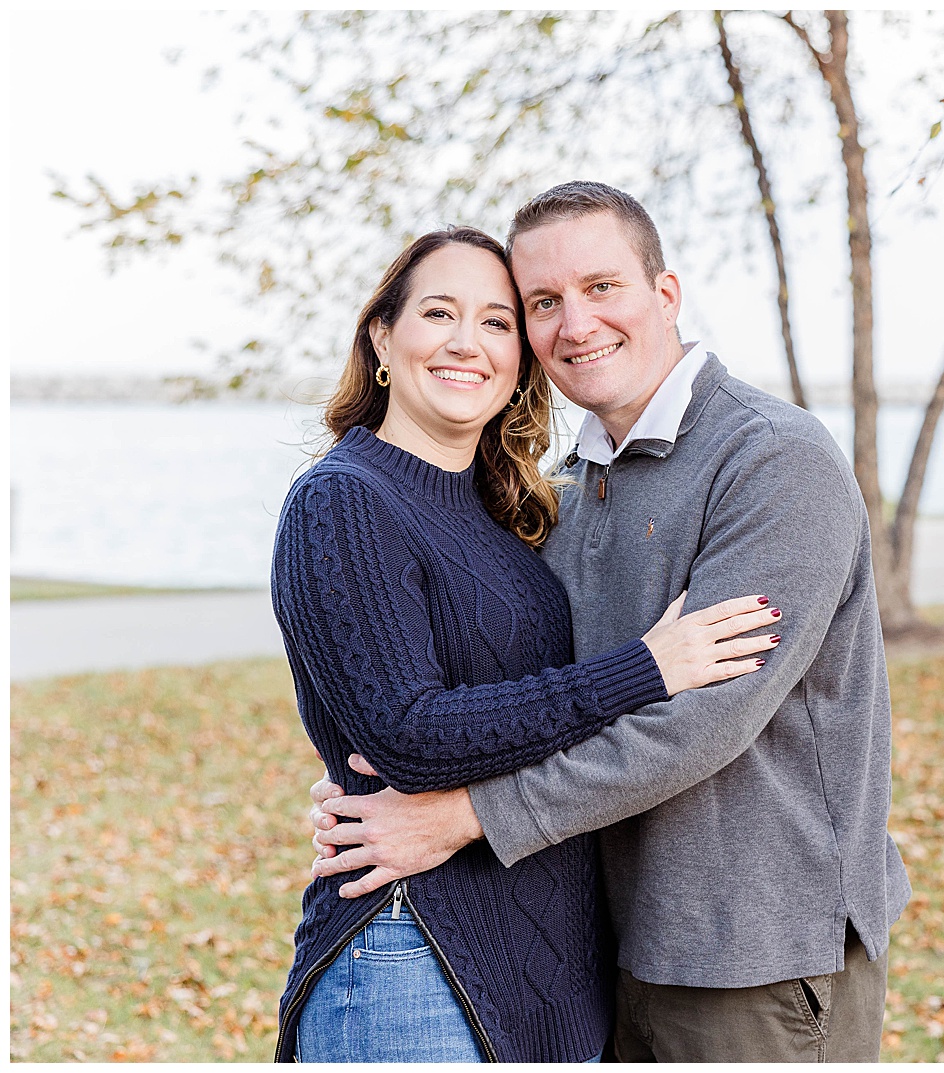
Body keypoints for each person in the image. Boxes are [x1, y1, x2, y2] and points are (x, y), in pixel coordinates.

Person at [309, 182, 913, 1061]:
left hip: (755, 953)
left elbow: (699, 723)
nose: (575, 323)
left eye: (602, 288)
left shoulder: (771, 460)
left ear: (665, 295)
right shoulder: (563, 488)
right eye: (543, 303)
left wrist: (464, 814)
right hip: (604, 950)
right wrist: (375, 778)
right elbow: (513, 691)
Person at [271, 225, 780, 1062]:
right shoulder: (343, 500)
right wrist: (645, 668)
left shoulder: (504, 513)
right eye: (439, 313)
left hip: (543, 972)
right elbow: (410, 736)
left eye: (499, 321)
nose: (468, 342)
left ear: (519, 361)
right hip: (416, 961)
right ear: (382, 338)